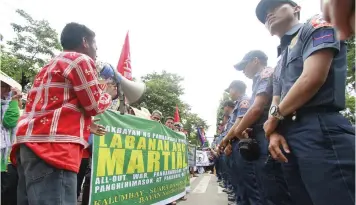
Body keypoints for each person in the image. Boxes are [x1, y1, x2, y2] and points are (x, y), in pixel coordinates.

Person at [256, 0, 355, 204]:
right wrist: (273, 132)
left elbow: (312, 78)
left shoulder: (317, 24)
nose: (269, 14)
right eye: (265, 14)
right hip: (287, 137)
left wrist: (273, 120)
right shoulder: (280, 60)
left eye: (274, 7)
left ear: (296, 8)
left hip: (319, 129)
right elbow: (276, 99)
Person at [11, 22, 114, 205]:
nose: (96, 52)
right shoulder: (79, 60)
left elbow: (53, 107)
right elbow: (94, 105)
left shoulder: (49, 65)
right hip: (53, 150)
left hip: (28, 145)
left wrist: (87, 125)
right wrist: (109, 94)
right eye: (95, 45)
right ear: (85, 42)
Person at [233, 50, 292, 205]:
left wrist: (239, 130)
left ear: (255, 61)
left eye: (244, 66)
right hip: (262, 132)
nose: (243, 71)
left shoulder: (265, 73)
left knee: (272, 188)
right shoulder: (258, 80)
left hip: (269, 132)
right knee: (263, 185)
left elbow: (257, 109)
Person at [220, 81, 250, 205]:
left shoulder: (245, 101)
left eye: (230, 90)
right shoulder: (238, 105)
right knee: (238, 177)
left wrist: (225, 140)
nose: (229, 93)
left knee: (247, 179)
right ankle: (240, 200)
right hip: (234, 143)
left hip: (242, 142)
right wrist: (227, 143)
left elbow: (238, 125)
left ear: (235, 89)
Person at [1, 81, 21, 205]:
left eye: (7, 87)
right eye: (3, 86)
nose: (7, 90)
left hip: (8, 158)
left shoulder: (7, 104)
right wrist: (14, 101)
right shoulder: (9, 105)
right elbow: (9, 122)